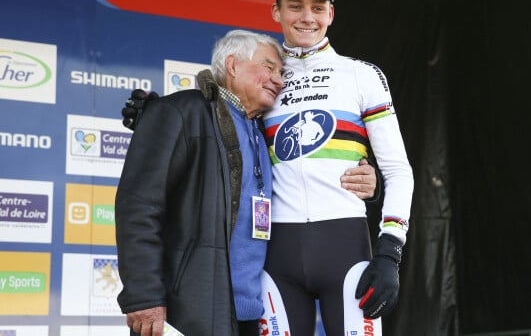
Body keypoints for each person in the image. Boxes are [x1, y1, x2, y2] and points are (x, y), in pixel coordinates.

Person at [115, 29, 377, 336]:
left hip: (251, 315)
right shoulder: (183, 112)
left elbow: (308, 179)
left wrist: (369, 183)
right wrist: (144, 295)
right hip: (188, 313)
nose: (279, 80)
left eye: (282, 73)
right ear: (232, 65)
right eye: (269, 67)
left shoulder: (264, 131)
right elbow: (139, 207)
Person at [259, 0, 414, 336]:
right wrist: (158, 114)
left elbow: (398, 171)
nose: (307, 17)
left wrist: (390, 250)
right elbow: (215, 119)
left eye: (317, 7)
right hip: (276, 254)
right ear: (276, 11)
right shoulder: (263, 76)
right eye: (295, 6)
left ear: (330, 13)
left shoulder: (361, 74)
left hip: (345, 249)